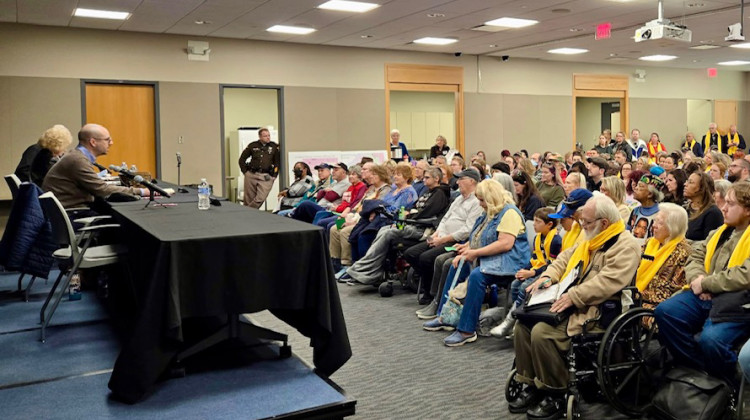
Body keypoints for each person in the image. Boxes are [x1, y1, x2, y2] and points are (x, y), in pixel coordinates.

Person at [508, 195, 640, 418]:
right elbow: (564, 258)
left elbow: (607, 282)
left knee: (543, 333)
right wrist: (548, 276)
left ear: (604, 222)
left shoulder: (626, 246)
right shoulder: (592, 237)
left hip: (596, 311)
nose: (582, 226)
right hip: (571, 301)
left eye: (586, 223)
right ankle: (532, 384)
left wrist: (573, 295)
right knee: (522, 326)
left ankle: (555, 392)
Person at [655, 182, 750, 386]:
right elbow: (696, 255)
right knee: (665, 312)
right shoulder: (720, 232)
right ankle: (699, 370)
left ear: (748, 210)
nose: (723, 208)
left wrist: (706, 284)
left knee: (712, 340)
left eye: (730, 204)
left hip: (737, 302)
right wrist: (697, 280)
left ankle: (729, 383)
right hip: (703, 293)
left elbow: (745, 275)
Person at [423, 179, 530, 347]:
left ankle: (466, 329)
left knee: (477, 276)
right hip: (493, 258)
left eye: (482, 200)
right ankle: (446, 316)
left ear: (491, 197)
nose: (480, 204)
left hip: (510, 263)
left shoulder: (510, 213)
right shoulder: (490, 212)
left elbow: (505, 244)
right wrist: (467, 249)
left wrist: (474, 253)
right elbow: (481, 237)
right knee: (456, 264)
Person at [344, 166, 450, 285]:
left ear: (436, 179)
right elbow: (413, 209)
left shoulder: (440, 193)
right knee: (385, 229)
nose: (423, 180)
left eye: (427, 177)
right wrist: (408, 214)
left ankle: (364, 269)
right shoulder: (427, 192)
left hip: (423, 229)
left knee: (388, 232)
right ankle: (369, 270)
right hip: (411, 223)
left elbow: (425, 213)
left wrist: (408, 215)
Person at [408, 170, 483, 315]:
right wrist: (437, 234)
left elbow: (468, 229)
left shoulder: (476, 202)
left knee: (428, 258)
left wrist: (443, 239)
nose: (457, 182)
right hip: (441, 236)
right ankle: (426, 285)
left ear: (472, 181)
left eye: (461, 179)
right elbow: (445, 219)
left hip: (455, 240)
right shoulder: (458, 199)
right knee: (411, 253)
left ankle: (432, 295)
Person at [492, 207, 561, 339]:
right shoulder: (538, 238)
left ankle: (511, 321)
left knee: (525, 287)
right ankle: (516, 320)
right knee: (515, 284)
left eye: (538, 221)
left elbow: (552, 264)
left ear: (549, 224)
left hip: (547, 273)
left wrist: (532, 273)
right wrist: (525, 270)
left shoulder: (555, 241)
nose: (533, 224)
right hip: (537, 270)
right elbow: (535, 258)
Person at [42, 124, 149, 210]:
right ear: (93, 142)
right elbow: (102, 190)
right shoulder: (78, 160)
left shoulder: (77, 156)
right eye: (107, 140)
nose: (111, 143)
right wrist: (141, 191)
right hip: (74, 213)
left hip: (71, 210)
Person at [330, 164, 391, 277]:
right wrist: (346, 215)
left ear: (381, 175)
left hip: (362, 219)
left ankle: (347, 264)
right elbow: (358, 205)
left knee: (345, 232)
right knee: (334, 228)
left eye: (374, 174)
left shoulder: (386, 190)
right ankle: (335, 262)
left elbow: (373, 208)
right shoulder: (371, 189)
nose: (371, 176)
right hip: (354, 216)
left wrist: (353, 219)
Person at [635, 203, 692, 320]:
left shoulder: (683, 252)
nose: (654, 226)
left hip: (659, 306)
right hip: (638, 297)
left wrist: (637, 295)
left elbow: (673, 291)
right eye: (655, 221)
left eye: (660, 223)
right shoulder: (651, 243)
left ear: (673, 227)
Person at [239, 127, 280, 209]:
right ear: (260, 137)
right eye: (265, 136)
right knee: (248, 199)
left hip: (266, 176)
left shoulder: (274, 146)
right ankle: (248, 216)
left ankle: (247, 212)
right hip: (251, 174)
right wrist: (245, 172)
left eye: (269, 135)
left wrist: (274, 175)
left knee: (260, 198)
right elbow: (242, 159)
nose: (268, 137)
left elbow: (277, 162)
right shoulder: (253, 145)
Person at [683, 171, 724, 242]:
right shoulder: (684, 209)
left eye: (691, 182)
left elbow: (709, 244)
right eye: (687, 181)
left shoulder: (712, 213)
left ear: (701, 188)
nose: (685, 184)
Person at [626, 174, 663, 241]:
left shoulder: (661, 213)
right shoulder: (635, 211)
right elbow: (627, 233)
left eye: (641, 186)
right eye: (637, 185)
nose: (636, 188)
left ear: (650, 194)